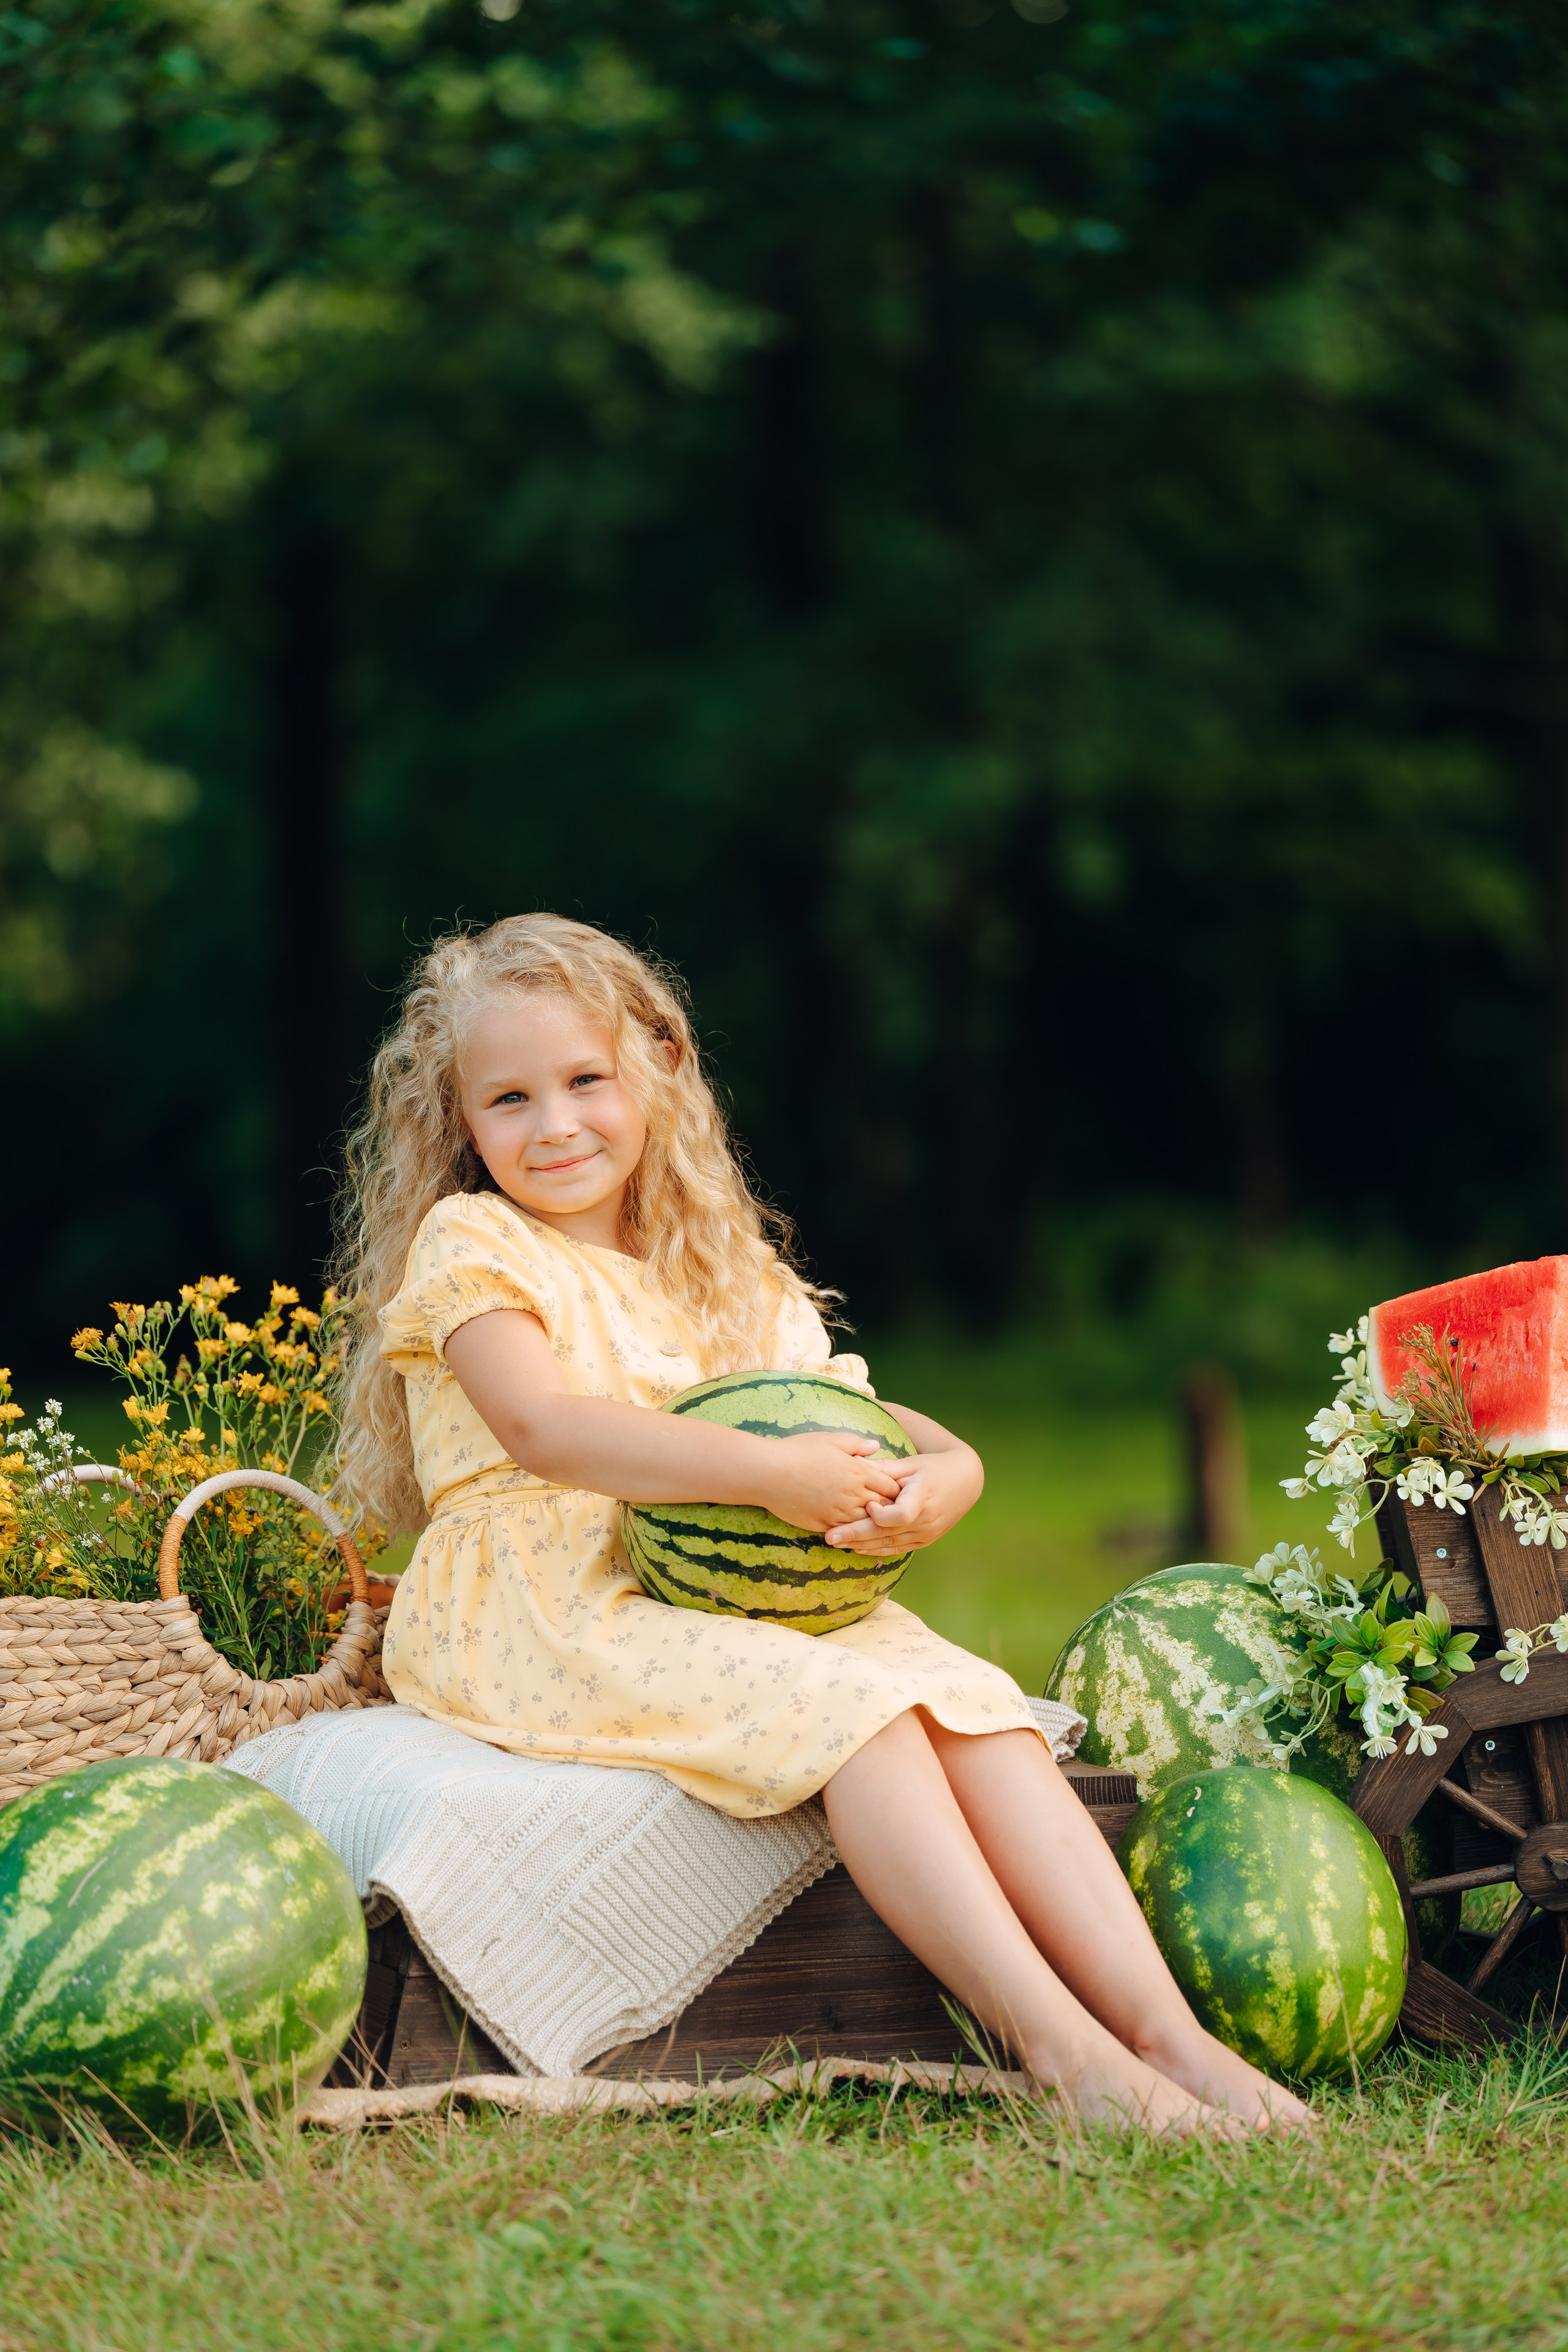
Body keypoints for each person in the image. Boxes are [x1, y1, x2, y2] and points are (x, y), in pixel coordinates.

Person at [334, 913, 1308, 2135]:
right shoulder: (474, 1241)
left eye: (587, 1081)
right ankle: (1059, 2057)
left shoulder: (714, 1259)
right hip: (542, 1602)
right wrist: (762, 1472)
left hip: (726, 1584)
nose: (556, 1125)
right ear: (460, 1124)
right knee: (864, 1723)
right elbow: (543, 1429)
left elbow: (840, 1409)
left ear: (658, 1073)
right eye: (510, 1100)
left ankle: (1167, 2037)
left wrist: (948, 1468)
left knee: (976, 1710)